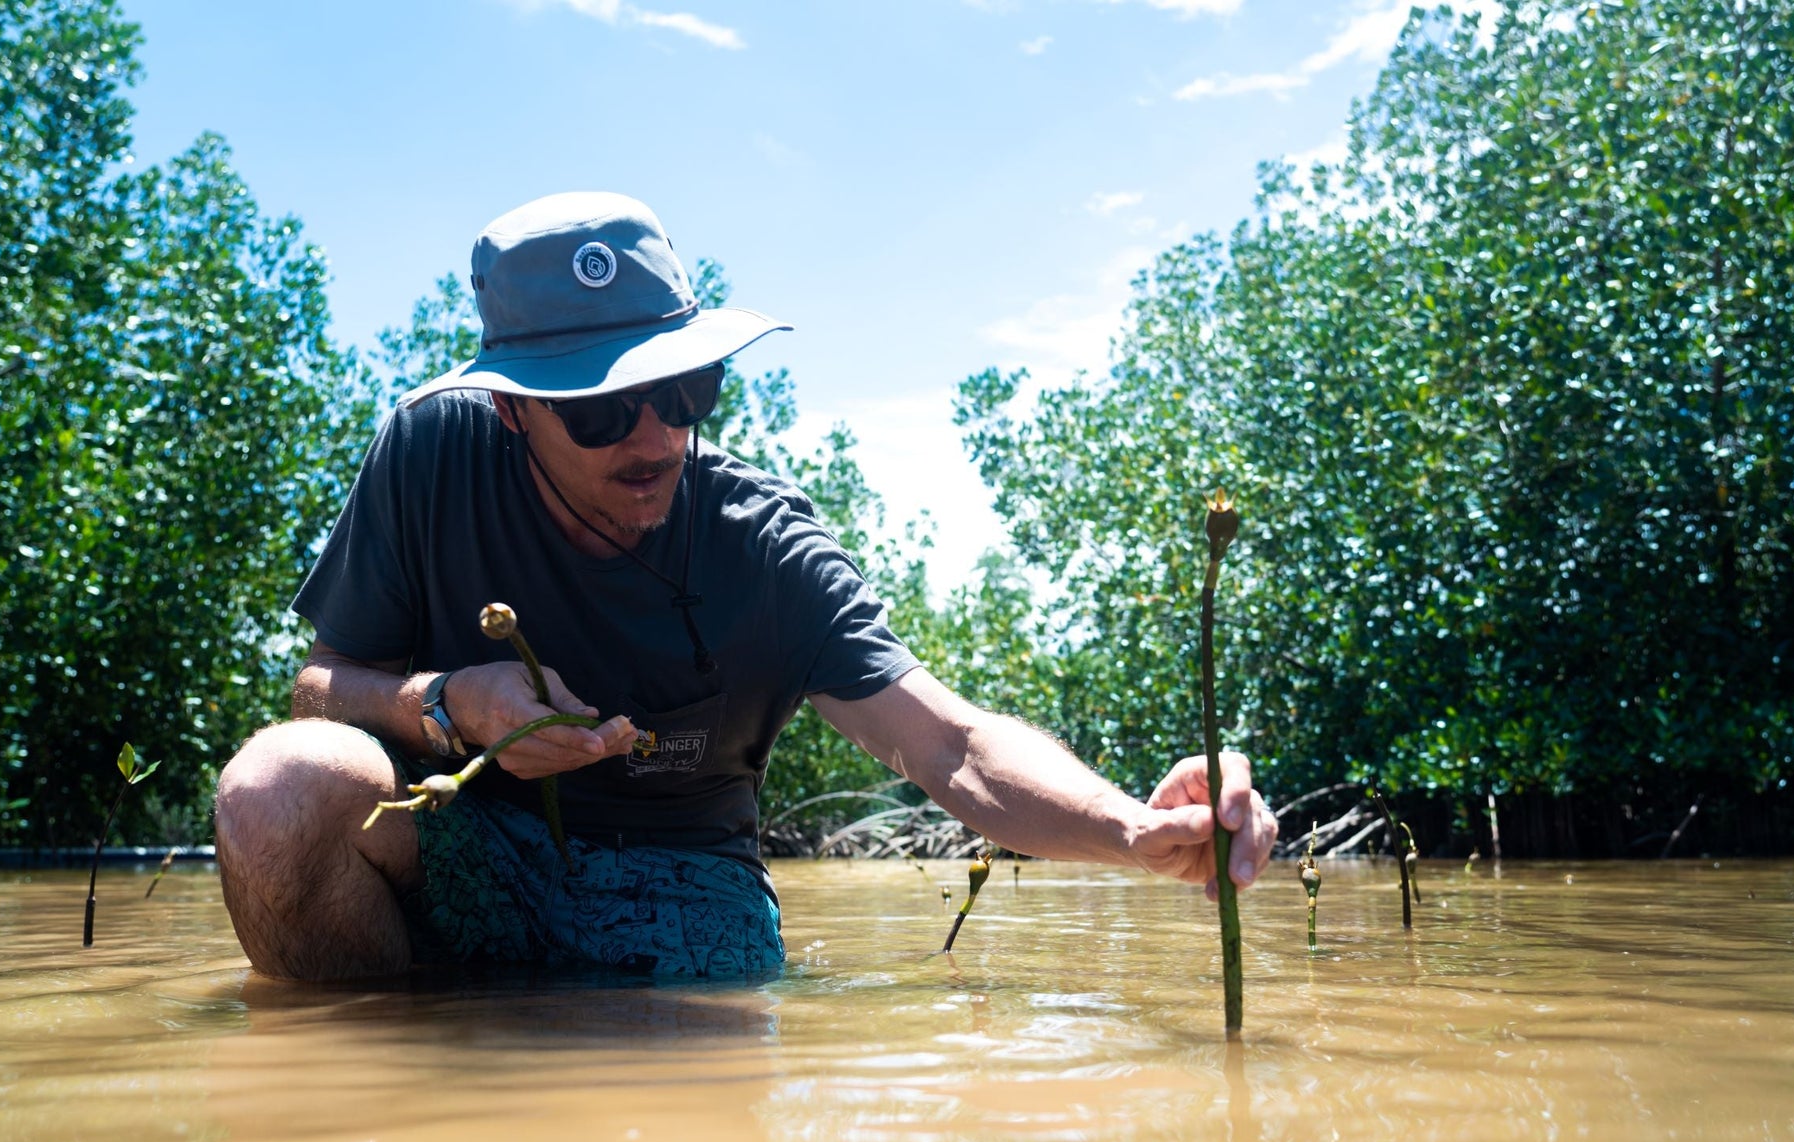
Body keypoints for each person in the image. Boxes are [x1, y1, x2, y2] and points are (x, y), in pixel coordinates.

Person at [214, 192, 1279, 982]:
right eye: (597, 409)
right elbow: (320, 684)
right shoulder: (428, 455)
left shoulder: (760, 542)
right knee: (279, 789)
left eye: (681, 392)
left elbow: (950, 745)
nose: (651, 437)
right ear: (510, 411)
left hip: (689, 890)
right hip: (472, 846)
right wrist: (439, 704)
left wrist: (1131, 831)